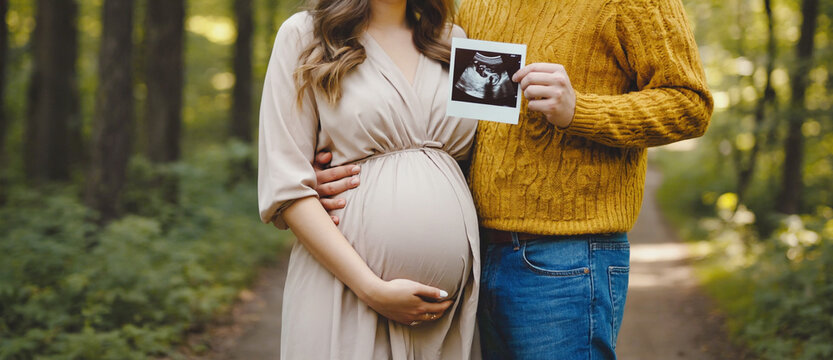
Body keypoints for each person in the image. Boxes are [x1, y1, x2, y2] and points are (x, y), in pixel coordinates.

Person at [313, 0, 713, 359]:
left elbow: (690, 103)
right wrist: (351, 164)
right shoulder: (466, 6)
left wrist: (580, 110)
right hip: (477, 259)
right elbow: (439, 112)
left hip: (567, 260)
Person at [257, 0, 481, 358]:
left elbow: (490, 161)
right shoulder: (304, 35)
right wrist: (372, 289)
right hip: (345, 291)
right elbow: (286, 184)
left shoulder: (454, 40)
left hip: (446, 315)